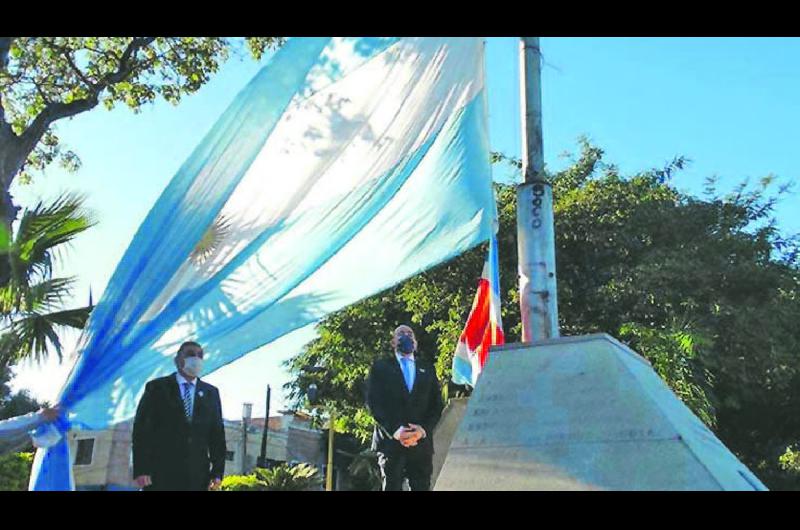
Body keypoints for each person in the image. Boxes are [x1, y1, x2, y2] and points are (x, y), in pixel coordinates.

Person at [132, 341, 226, 491]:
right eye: (190, 354)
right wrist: (141, 469)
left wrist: (217, 472)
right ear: (177, 360)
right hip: (161, 473)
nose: (195, 359)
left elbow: (217, 435)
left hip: (197, 476)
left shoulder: (210, 393)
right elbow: (142, 431)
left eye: (199, 355)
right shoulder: (157, 388)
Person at [366, 324, 444, 491]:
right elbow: (374, 403)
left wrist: (422, 431)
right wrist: (396, 431)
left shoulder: (427, 368)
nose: (406, 336)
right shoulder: (381, 368)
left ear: (415, 343)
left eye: (410, 334)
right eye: (401, 334)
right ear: (393, 342)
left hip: (420, 445)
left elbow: (436, 405)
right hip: (390, 443)